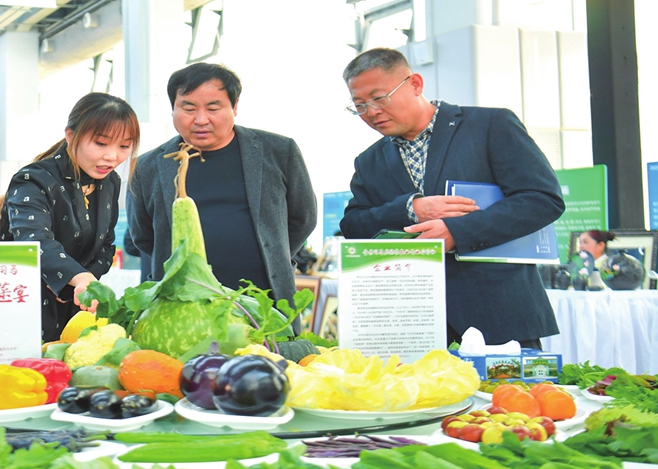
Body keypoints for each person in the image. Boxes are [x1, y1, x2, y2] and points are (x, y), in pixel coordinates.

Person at [339, 48, 565, 348]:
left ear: (415, 84)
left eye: (379, 98)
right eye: (360, 106)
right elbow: (354, 225)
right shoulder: (369, 161)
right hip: (409, 321)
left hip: (496, 312)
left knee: (509, 396)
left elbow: (542, 198)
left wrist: (458, 232)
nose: (372, 112)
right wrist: (410, 208)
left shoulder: (489, 126)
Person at [126, 62, 317, 334]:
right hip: (182, 312)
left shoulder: (278, 151)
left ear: (234, 107)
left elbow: (303, 218)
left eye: (213, 108)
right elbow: (143, 235)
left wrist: (271, 252)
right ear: (174, 110)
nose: (201, 119)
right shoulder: (148, 167)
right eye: (189, 108)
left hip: (266, 306)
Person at [0, 92, 140, 341]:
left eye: (124, 146)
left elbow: (106, 245)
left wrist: (82, 286)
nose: (112, 156)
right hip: (24, 304)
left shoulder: (110, 181)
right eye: (101, 144)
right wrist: (78, 278)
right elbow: (34, 241)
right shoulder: (34, 179)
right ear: (70, 136)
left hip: (76, 306)